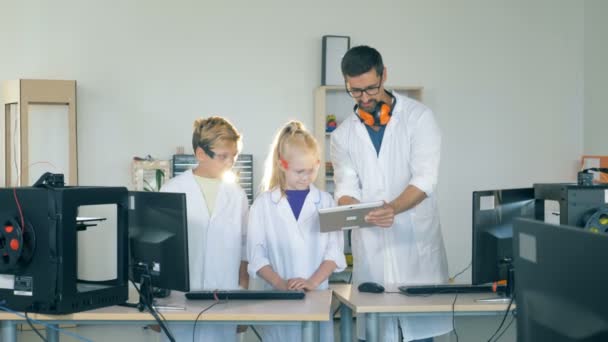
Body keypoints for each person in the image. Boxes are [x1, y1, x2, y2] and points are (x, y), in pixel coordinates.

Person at [330, 45, 451, 342]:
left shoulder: (419, 118)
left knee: (419, 334)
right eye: (355, 91)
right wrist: (358, 210)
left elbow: (425, 179)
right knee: (374, 333)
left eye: (371, 88)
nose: (365, 97)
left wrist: (393, 208)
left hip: (416, 250)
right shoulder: (343, 135)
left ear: (384, 75)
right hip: (372, 253)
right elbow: (345, 188)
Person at [247, 121, 346, 342]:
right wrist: (282, 285)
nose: (306, 176)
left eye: (312, 170)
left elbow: (334, 252)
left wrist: (312, 282)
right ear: (282, 165)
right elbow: (256, 256)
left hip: (317, 297)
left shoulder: (326, 201)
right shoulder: (263, 205)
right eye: (299, 171)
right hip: (277, 299)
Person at [161, 116, 249, 342]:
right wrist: (155, 309)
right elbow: (157, 254)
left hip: (225, 300)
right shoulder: (171, 191)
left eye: (234, 156)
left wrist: (242, 309)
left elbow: (244, 254)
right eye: (223, 156)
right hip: (179, 302)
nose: (231, 162)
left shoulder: (237, 195)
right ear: (201, 154)